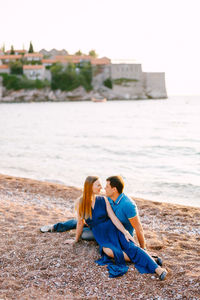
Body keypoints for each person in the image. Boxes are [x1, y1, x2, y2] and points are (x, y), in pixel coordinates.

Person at [64, 176, 168, 279]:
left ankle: (158, 269)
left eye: (102, 185)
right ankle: (150, 259)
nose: (102, 187)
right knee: (109, 252)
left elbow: (113, 218)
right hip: (101, 235)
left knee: (130, 246)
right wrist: (75, 240)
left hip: (113, 229)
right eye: (98, 185)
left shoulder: (104, 199)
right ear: (90, 187)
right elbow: (80, 223)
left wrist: (125, 232)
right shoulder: (81, 203)